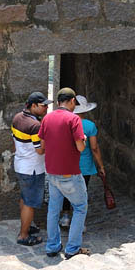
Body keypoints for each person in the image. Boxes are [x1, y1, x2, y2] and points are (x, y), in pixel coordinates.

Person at [38, 87, 90, 259]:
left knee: (53, 209)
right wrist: (84, 140)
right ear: (73, 101)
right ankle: (72, 248)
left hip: (51, 172)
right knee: (80, 207)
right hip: (69, 173)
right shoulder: (74, 119)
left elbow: (43, 146)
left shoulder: (47, 118)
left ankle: (53, 246)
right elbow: (80, 147)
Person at [10, 91, 48, 246]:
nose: (46, 108)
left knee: (24, 198)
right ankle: (23, 235)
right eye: (43, 105)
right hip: (32, 167)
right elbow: (40, 150)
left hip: (21, 164)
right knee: (29, 202)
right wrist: (45, 133)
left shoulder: (17, 117)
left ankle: (27, 226)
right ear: (33, 106)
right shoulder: (35, 126)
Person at [61, 95, 105, 225]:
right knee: (82, 191)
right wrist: (101, 166)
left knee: (67, 189)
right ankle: (78, 219)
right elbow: (94, 147)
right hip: (84, 165)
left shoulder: (65, 122)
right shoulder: (90, 126)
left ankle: (65, 216)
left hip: (68, 163)